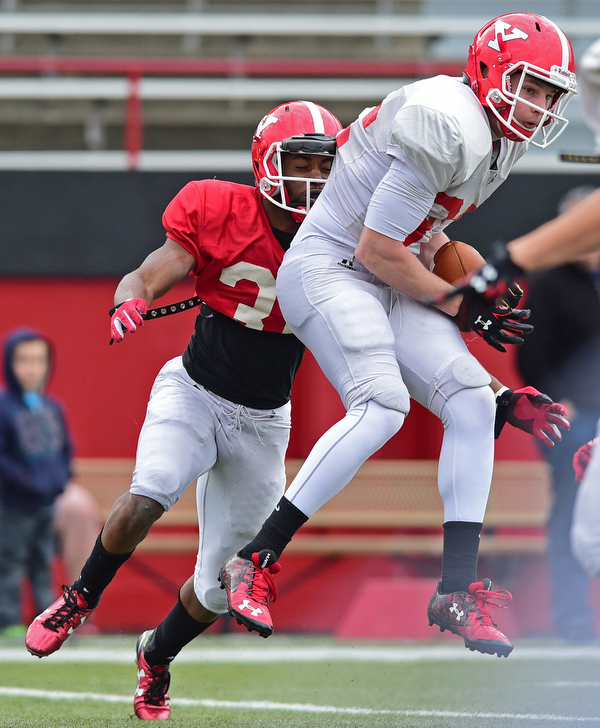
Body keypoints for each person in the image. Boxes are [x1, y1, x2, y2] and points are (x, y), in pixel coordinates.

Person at [217, 12, 577, 659]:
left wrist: (499, 391)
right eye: (529, 85)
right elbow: (379, 247)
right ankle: (256, 559)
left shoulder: (496, 139)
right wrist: (458, 303)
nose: (539, 104)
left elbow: (421, 232)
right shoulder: (449, 122)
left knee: (469, 403)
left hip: (379, 275)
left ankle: (457, 590)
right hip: (331, 268)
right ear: (489, 70)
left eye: (551, 94)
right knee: (383, 404)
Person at [24, 100, 344, 719]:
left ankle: (157, 656)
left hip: (264, 420)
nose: (311, 179)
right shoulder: (220, 209)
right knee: (151, 491)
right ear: (265, 164)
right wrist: (129, 301)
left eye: (321, 166)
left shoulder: (345, 234)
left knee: (221, 587)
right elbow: (148, 274)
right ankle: (79, 597)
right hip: (195, 392)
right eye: (298, 162)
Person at [516, 186, 600, 642]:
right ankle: (572, 620)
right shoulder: (547, 284)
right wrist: (555, 399)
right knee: (572, 514)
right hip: (576, 419)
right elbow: (531, 354)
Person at [0, 329, 73, 640]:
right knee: (10, 562)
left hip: (46, 503)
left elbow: (65, 449)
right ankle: (8, 621)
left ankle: (46, 620)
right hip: (13, 505)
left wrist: (61, 478)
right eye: (23, 361)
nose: (31, 368)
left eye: (39, 361)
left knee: (43, 563)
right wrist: (26, 481)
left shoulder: (52, 407)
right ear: (9, 364)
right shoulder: (4, 407)